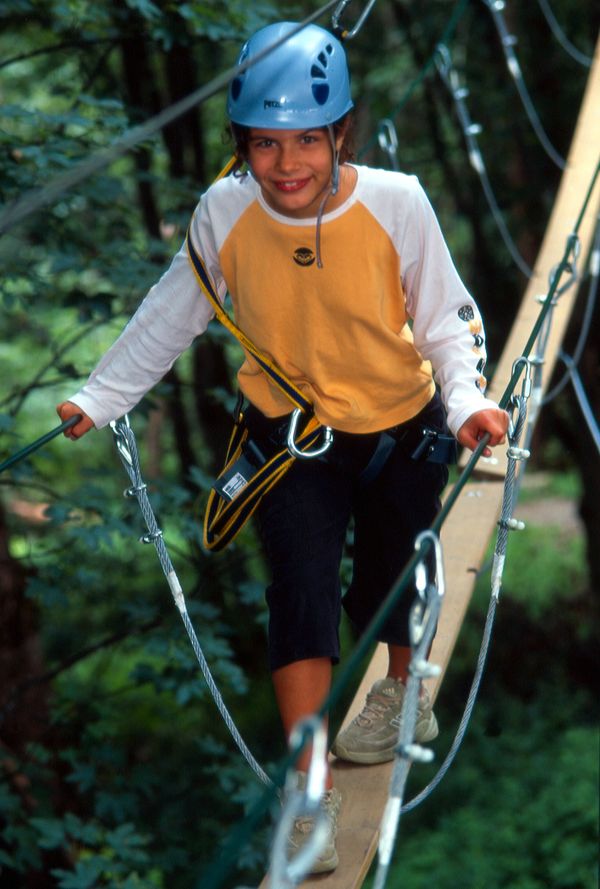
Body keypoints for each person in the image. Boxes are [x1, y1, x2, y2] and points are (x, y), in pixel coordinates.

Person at [57, 21, 508, 874]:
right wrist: (102, 395)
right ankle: (309, 784)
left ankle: (403, 689)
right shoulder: (223, 213)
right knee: (300, 591)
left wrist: (468, 402)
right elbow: (170, 314)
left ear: (342, 133)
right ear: (242, 144)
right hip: (292, 438)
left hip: (401, 424)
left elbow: (447, 321)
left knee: (392, 577)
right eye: (265, 142)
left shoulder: (397, 203)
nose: (286, 162)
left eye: (307, 139)